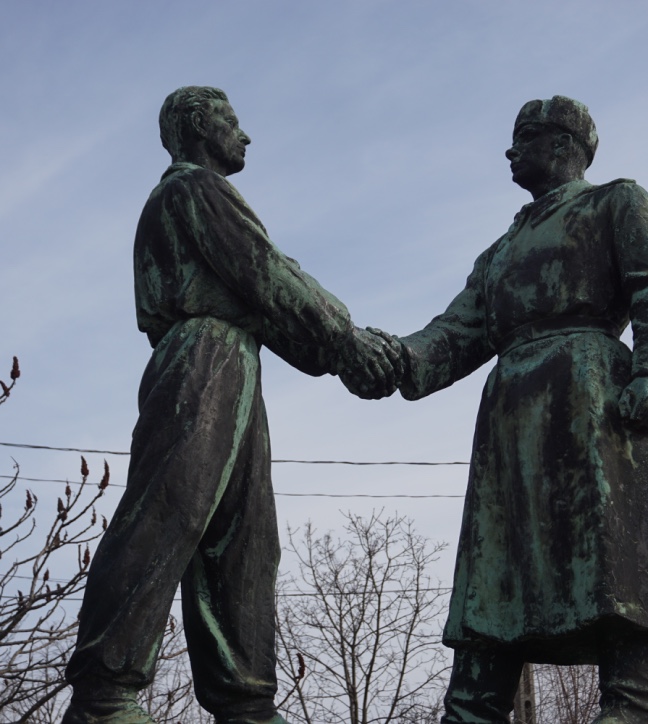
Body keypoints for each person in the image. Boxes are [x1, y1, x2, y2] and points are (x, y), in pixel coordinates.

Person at [350, 97, 648, 723]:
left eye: (524, 137)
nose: (510, 151)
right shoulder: (501, 251)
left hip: (593, 405)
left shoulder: (616, 202)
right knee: (494, 599)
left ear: (563, 143)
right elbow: (456, 333)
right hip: (512, 423)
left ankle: (630, 709)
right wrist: (392, 359)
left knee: (620, 577)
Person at [63, 86, 398, 724]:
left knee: (246, 537)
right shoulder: (192, 189)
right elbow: (265, 272)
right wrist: (347, 341)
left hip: (235, 359)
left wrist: (336, 350)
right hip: (202, 356)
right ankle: (104, 693)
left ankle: (246, 701)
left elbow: (266, 304)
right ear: (198, 125)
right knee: (168, 511)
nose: (244, 136)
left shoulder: (199, 195)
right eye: (232, 122)